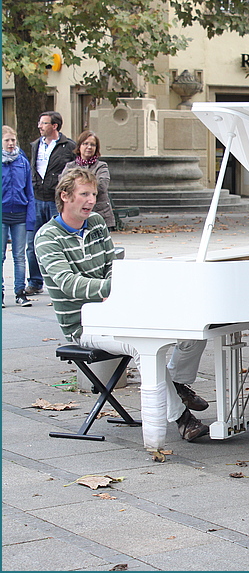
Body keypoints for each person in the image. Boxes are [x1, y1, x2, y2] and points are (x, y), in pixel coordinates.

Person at [35, 167, 213, 442]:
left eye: (93, 194)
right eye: (84, 194)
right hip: (82, 324)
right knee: (143, 349)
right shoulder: (47, 237)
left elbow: (111, 266)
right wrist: (114, 288)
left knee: (194, 329)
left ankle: (176, 383)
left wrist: (117, 288)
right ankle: (181, 418)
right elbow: (68, 284)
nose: (91, 200)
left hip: (115, 308)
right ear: (65, 196)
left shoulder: (95, 223)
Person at [25, 111, 76, 295]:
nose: (40, 126)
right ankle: (35, 281)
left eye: (44, 123)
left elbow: (73, 172)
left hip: (56, 201)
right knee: (32, 243)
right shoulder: (35, 145)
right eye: (40, 123)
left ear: (55, 126)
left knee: (61, 241)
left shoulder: (68, 146)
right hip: (37, 199)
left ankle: (64, 280)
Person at [2, 125, 36, 309]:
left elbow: (29, 192)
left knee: (19, 256)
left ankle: (20, 292)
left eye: (13, 140)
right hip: (2, 213)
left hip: (20, 214)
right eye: (7, 140)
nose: (10, 144)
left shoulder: (22, 162)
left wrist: (30, 218)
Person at [62, 131, 115, 229]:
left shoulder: (101, 166)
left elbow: (102, 186)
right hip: (75, 214)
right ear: (79, 146)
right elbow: (64, 186)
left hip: (99, 213)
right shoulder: (70, 167)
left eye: (93, 145)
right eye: (85, 144)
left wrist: (78, 187)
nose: (89, 147)